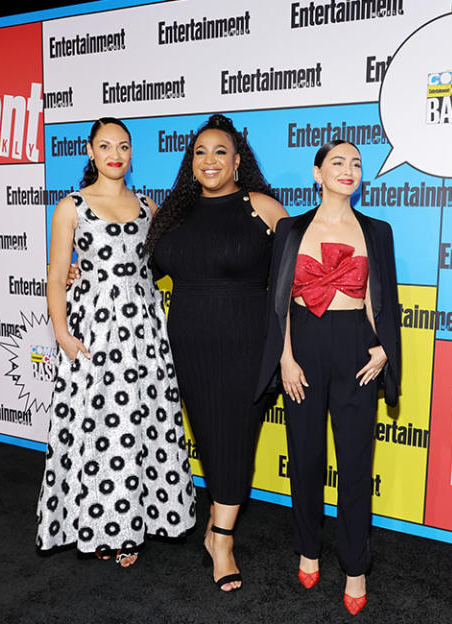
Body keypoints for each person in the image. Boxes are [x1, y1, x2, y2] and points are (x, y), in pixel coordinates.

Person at [36, 117, 195, 567]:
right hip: (93, 329)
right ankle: (100, 524)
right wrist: (62, 333)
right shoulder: (71, 206)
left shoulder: (147, 205)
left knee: (140, 426)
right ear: (89, 151)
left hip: (143, 328)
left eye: (123, 145)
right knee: (100, 426)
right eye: (105, 145)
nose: (115, 153)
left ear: (131, 152)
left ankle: (131, 526)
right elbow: (55, 274)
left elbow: (160, 264)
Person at [254, 140, 401, 615]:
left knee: (356, 463)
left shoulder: (377, 231)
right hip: (305, 349)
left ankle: (356, 567)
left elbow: (384, 301)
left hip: (357, 346)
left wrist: (383, 350)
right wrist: (285, 358)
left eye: (356, 164)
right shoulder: (291, 230)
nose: (349, 169)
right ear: (317, 173)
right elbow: (279, 301)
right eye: (338, 162)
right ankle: (309, 548)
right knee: (306, 457)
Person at [146, 114, 287, 591]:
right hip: (188, 342)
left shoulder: (264, 208)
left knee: (237, 439)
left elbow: (296, 279)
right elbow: (140, 272)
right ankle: (217, 525)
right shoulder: (173, 213)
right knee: (209, 436)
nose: (210, 160)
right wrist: (78, 274)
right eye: (200, 152)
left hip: (249, 340)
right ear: (191, 162)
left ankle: (221, 539)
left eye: (220, 152)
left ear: (238, 161)